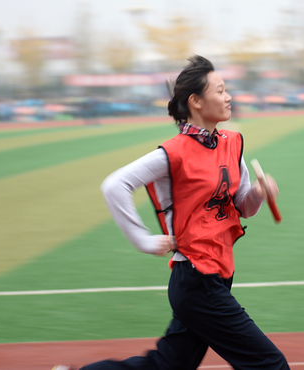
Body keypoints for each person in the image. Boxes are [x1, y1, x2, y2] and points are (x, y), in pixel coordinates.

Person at [65, 56, 289, 370]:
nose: (228, 97)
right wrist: (143, 240)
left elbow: (243, 207)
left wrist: (258, 193)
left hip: (218, 273)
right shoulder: (173, 153)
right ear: (196, 101)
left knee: (167, 365)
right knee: (270, 364)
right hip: (197, 280)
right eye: (220, 91)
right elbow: (115, 185)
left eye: (227, 89)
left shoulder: (231, 143)